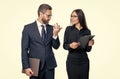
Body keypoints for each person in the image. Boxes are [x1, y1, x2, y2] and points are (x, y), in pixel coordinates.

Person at [21, 4, 62, 79]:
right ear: (41, 14)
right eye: (48, 15)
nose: (50, 18)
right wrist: (26, 67)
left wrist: (55, 34)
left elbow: (56, 46)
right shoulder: (28, 28)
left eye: (50, 16)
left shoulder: (51, 28)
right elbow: (24, 49)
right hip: (34, 66)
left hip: (49, 66)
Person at [63, 9, 94, 79]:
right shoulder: (68, 29)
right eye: (71, 16)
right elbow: (64, 45)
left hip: (84, 62)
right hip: (72, 61)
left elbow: (88, 50)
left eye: (74, 16)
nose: (72, 18)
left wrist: (90, 45)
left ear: (80, 17)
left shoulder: (87, 31)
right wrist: (70, 45)